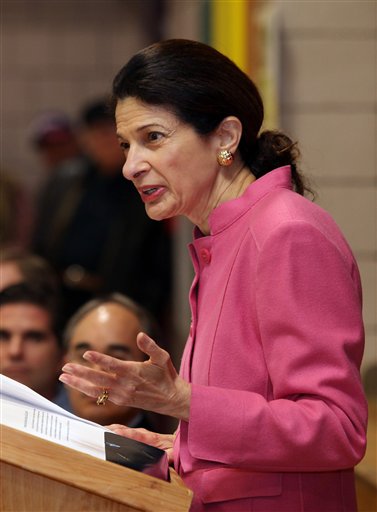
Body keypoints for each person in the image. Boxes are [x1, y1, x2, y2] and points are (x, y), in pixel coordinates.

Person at [60, 39, 367, 512]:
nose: (130, 165)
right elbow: (251, 422)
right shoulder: (225, 236)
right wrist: (172, 448)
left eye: (153, 138)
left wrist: (183, 402)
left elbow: (334, 429)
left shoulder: (287, 233)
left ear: (224, 137)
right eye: (126, 145)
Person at [31, 98, 172, 325]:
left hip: (118, 297)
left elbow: (155, 259)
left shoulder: (142, 184)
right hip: (63, 294)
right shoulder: (69, 180)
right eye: (95, 134)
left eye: (109, 134)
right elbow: (44, 236)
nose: (102, 142)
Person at [63, 293, 161, 429]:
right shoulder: (40, 444)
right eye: (83, 357)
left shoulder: (166, 450)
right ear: (64, 362)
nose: (96, 374)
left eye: (114, 360)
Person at [0, 282, 70, 411]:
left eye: (34, 338)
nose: (15, 351)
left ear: (62, 354)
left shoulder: (88, 423)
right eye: (3, 336)